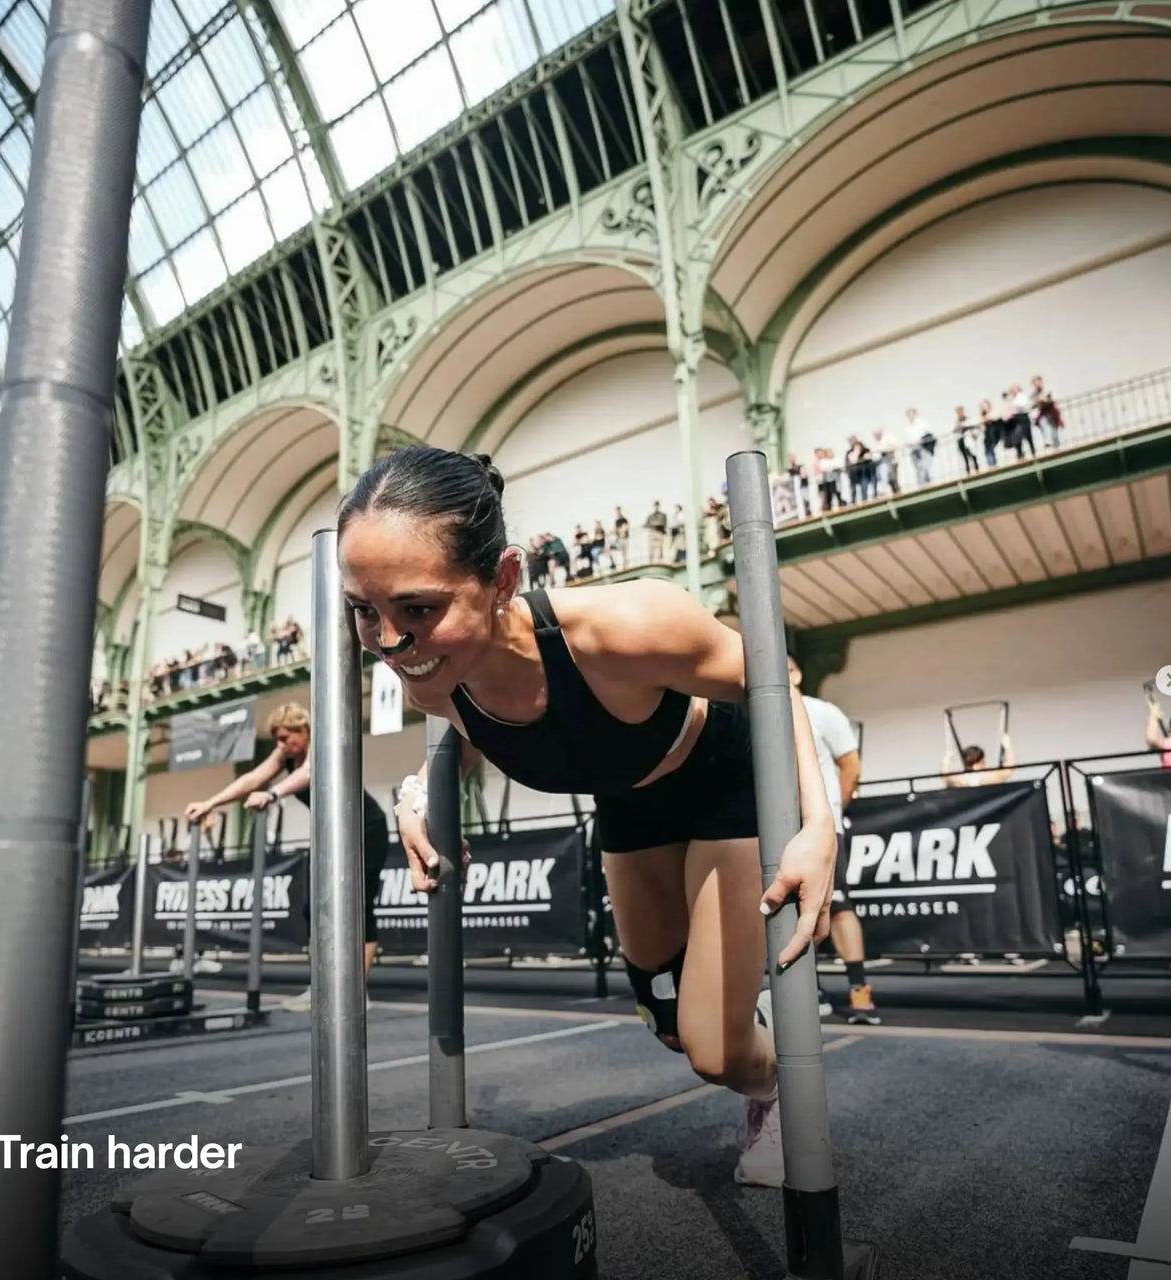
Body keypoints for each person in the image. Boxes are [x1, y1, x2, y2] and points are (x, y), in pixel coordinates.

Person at [340, 445, 837, 1189]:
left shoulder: (622, 627)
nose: (389, 642)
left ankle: (774, 1086)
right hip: (630, 800)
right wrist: (418, 797)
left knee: (712, 1050)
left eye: (416, 608)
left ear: (503, 577)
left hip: (723, 782)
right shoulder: (434, 677)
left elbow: (776, 678)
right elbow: (465, 741)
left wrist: (816, 826)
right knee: (665, 1017)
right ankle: (735, 1004)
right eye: (363, 611)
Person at [184, 703, 391, 1006]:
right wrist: (210, 803)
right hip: (331, 834)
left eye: (286, 738)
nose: (282, 746)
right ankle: (323, 986)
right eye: (278, 740)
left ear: (304, 731)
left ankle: (355, 993)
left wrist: (272, 795)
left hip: (365, 827)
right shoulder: (286, 755)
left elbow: (309, 773)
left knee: (359, 906)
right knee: (313, 908)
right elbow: (253, 778)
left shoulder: (323, 743)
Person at [787, 657, 878, 1025]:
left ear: (796, 673)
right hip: (775, 830)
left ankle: (860, 994)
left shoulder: (820, 712)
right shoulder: (750, 717)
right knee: (786, 913)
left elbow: (851, 765)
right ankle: (809, 991)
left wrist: (827, 813)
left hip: (820, 828)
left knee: (837, 907)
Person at [942, 737, 1015, 787]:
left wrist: (946, 760)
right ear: (982, 760)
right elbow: (1008, 770)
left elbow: (946, 776)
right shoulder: (989, 777)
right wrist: (1008, 746)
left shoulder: (960, 779)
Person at [1030, 376, 1063, 449]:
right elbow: (1032, 403)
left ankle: (1056, 444)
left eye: (1037, 382)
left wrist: (1047, 399)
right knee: (1042, 424)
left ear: (1041, 381)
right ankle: (1047, 441)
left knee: (1054, 428)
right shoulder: (1034, 394)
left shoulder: (1049, 389)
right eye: (1034, 383)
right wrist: (1037, 402)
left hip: (1052, 411)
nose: (1036, 385)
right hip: (1043, 412)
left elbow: (1055, 398)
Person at [904, 408, 934, 486]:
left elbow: (930, 434)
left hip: (923, 447)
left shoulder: (922, 423)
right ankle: (922, 484)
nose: (909, 416)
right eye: (908, 415)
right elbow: (908, 439)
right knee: (918, 468)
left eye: (911, 414)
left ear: (915, 414)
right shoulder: (908, 428)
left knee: (924, 466)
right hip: (913, 449)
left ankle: (926, 483)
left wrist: (922, 440)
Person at [872, 428, 900, 495]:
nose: (875, 437)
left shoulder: (888, 438)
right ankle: (887, 492)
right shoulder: (878, 442)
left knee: (893, 479)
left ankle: (897, 493)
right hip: (883, 464)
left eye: (876, 435)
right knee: (887, 480)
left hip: (892, 462)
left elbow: (894, 446)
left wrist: (883, 450)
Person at [953, 406, 980, 474]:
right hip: (961, 440)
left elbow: (973, 427)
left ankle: (976, 467)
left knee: (972, 453)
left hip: (969, 439)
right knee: (965, 455)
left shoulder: (968, 419)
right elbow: (955, 430)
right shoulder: (957, 421)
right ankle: (968, 469)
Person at [978, 398, 1001, 468]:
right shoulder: (982, 415)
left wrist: (986, 415)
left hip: (993, 431)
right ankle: (992, 464)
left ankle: (993, 464)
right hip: (987, 433)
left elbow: (994, 417)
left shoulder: (993, 412)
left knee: (990, 448)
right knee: (988, 449)